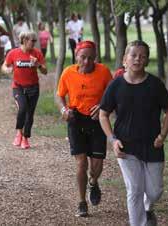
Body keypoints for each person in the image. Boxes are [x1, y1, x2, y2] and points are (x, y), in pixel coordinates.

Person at [99, 40, 168, 226]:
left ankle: (148, 208)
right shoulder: (115, 85)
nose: (137, 59)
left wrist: (162, 135)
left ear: (146, 61)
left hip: (152, 145)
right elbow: (103, 114)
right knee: (134, 189)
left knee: (155, 191)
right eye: (133, 55)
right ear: (125, 59)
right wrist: (113, 140)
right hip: (126, 146)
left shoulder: (155, 85)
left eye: (142, 56)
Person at [57, 40, 112, 217]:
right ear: (76, 56)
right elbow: (59, 96)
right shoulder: (68, 73)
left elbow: (112, 95)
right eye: (83, 57)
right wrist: (64, 110)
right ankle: (81, 202)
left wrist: (103, 106)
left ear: (95, 57)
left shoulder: (103, 72)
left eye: (90, 58)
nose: (87, 62)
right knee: (81, 162)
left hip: (97, 119)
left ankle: (93, 182)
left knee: (97, 164)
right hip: (76, 118)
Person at [1, 31, 47, 149]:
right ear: (24, 40)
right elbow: (4, 65)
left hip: (33, 88)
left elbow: (45, 71)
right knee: (22, 109)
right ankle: (18, 133)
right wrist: (7, 70)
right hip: (18, 87)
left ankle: (25, 138)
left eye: (35, 41)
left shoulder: (37, 53)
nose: (34, 43)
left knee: (30, 114)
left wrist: (38, 65)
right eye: (33, 41)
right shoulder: (13, 53)